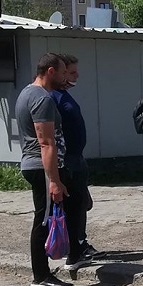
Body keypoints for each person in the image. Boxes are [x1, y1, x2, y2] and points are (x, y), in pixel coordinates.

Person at [16, 53, 82, 286]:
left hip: (41, 166)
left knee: (54, 214)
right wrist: (53, 180)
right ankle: (41, 277)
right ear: (51, 72)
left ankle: (50, 269)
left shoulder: (28, 92)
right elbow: (46, 143)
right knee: (43, 221)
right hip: (41, 167)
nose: (67, 77)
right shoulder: (41, 99)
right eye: (64, 73)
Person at [51, 54, 104, 261]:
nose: (75, 76)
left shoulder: (64, 95)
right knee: (75, 204)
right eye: (70, 72)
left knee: (82, 203)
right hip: (68, 160)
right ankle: (74, 247)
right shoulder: (53, 97)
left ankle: (79, 243)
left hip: (77, 158)